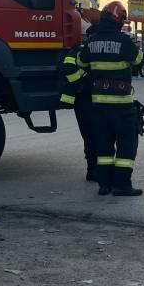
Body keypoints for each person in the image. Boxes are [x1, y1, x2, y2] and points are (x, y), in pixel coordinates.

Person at [78, 1, 144, 196]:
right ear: (119, 20)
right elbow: (138, 60)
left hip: (98, 105)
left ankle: (104, 184)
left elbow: (81, 61)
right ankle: (122, 185)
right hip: (121, 105)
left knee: (103, 144)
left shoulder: (92, 41)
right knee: (127, 143)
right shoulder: (123, 41)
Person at [60, 23, 98, 182]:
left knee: (95, 136)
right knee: (91, 136)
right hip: (83, 100)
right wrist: (82, 82)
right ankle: (93, 170)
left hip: (91, 99)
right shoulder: (78, 51)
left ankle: (96, 169)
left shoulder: (94, 51)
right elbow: (68, 69)